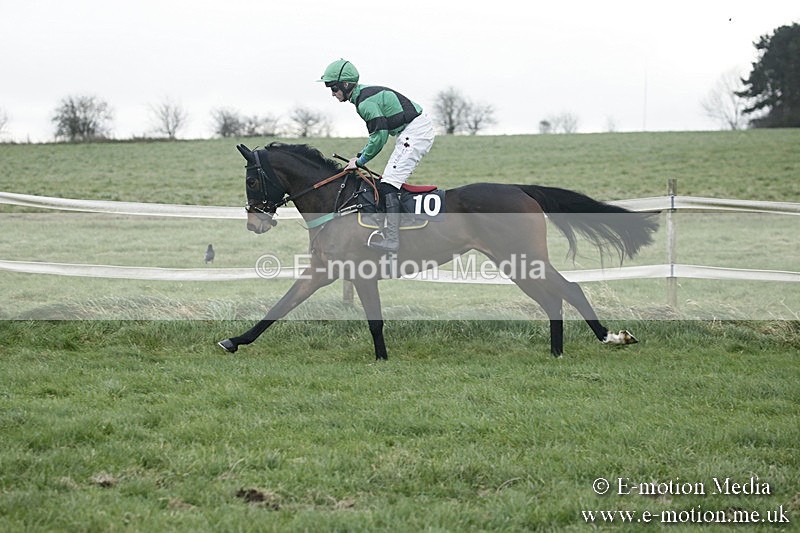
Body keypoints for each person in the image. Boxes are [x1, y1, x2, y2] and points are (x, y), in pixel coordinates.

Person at [319, 59, 435, 253]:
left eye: (333, 87)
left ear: (345, 85)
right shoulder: (363, 97)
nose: (332, 93)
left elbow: (379, 137)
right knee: (388, 182)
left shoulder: (365, 103)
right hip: (412, 131)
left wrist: (360, 160)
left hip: (415, 132)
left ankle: (392, 240)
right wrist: (359, 158)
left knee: (388, 184)